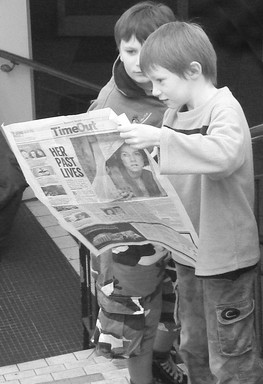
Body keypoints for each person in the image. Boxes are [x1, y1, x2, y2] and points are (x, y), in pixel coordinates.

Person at [117, 20, 263, 384]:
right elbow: (177, 174)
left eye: (161, 80)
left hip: (225, 260)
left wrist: (160, 139)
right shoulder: (174, 114)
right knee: (193, 346)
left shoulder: (224, 109)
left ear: (193, 71)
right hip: (189, 256)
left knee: (232, 358)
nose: (156, 90)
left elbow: (223, 156)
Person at [88, 3, 185, 384]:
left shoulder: (181, 87)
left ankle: (162, 360)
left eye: (148, 51)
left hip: (182, 224)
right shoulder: (112, 99)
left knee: (175, 307)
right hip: (133, 233)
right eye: (130, 51)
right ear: (118, 50)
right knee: (134, 318)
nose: (138, 62)